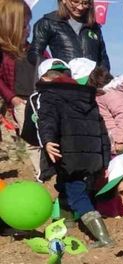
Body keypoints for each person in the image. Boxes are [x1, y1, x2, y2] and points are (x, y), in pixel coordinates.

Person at [24, 59, 113, 246]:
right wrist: (104, 158)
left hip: (69, 154)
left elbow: (46, 121)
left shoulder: (47, 95)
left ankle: (103, 238)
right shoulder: (84, 95)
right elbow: (101, 127)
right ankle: (67, 222)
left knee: (76, 192)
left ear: (43, 78)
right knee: (65, 185)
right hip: (91, 154)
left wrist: (47, 141)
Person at [0, 0, 41, 180]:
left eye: (29, 25)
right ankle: (37, 176)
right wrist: (13, 98)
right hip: (20, 101)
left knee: (43, 139)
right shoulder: (3, 52)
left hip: (38, 100)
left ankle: (43, 174)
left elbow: (47, 68)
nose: (28, 29)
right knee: (30, 141)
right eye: (24, 25)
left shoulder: (34, 49)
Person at [28, 0, 110, 69]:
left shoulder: (94, 27)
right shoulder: (48, 22)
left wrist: (101, 76)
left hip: (91, 85)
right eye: (75, 2)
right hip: (64, 84)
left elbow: (103, 59)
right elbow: (34, 54)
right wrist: (54, 68)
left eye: (85, 3)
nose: (80, 7)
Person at [89, 67, 123, 156]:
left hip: (114, 143)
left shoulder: (112, 93)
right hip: (106, 141)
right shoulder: (101, 94)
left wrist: (120, 141)